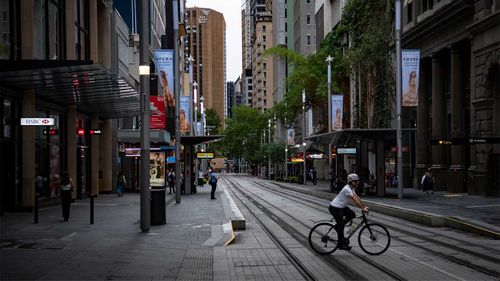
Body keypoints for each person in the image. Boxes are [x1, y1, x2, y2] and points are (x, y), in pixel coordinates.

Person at [328, 173, 369, 250]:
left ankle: (338, 226)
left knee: (352, 214)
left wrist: (364, 206)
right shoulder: (347, 189)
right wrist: (362, 208)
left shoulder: (351, 188)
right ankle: (340, 245)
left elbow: (357, 197)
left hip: (341, 207)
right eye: (357, 181)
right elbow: (354, 199)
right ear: (352, 182)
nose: (358, 182)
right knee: (341, 226)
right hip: (335, 208)